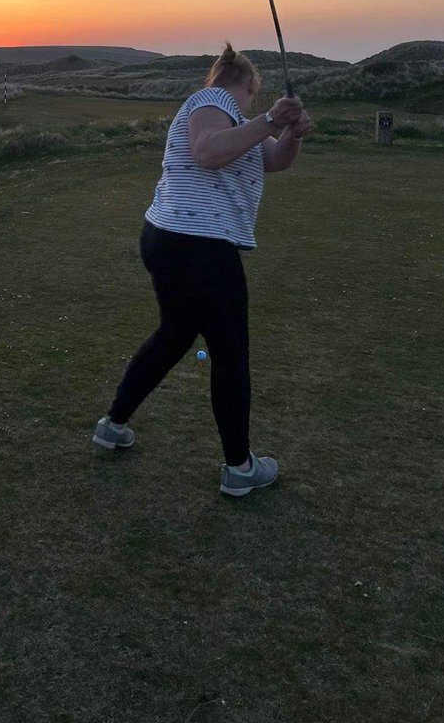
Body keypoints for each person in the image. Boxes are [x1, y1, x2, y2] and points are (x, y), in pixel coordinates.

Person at [92, 43, 312, 496]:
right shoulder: (214, 101)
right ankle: (239, 468)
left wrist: (292, 133)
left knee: (174, 336)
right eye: (255, 94)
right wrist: (270, 119)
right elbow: (207, 152)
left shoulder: (237, 121)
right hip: (199, 249)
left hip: (170, 240)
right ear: (250, 84)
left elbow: (273, 160)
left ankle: (113, 425)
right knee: (230, 352)